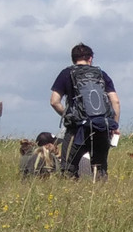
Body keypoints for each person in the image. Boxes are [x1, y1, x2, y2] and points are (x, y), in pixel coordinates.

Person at [50, 43, 120, 181]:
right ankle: (101, 197)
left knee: (69, 169)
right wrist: (114, 126)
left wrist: (68, 115)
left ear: (73, 59)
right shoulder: (101, 74)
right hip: (101, 127)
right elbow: (115, 101)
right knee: (100, 168)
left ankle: (70, 198)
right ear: (90, 58)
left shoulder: (66, 73)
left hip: (76, 130)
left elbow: (54, 101)